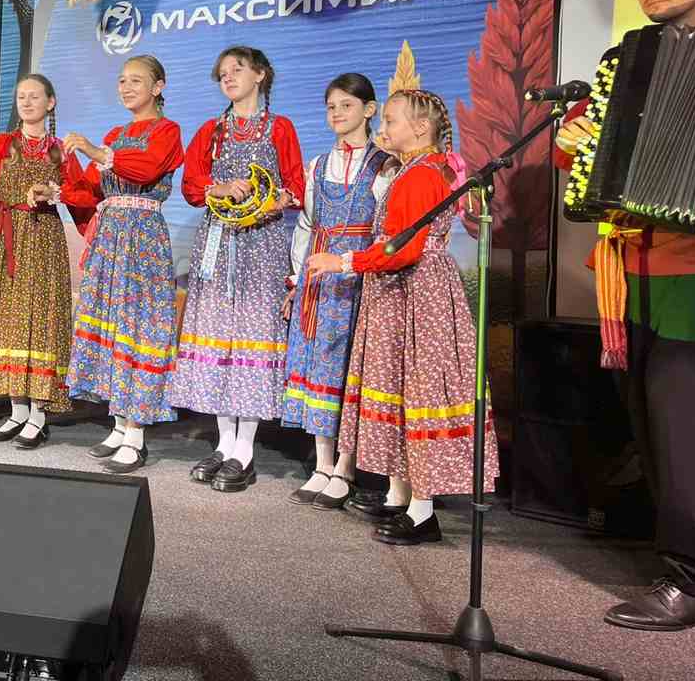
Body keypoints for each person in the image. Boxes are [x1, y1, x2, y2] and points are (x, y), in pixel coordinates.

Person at [555, 0, 695, 630]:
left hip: (692, 273)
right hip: (631, 268)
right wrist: (575, 144)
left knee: (682, 425)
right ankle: (680, 558)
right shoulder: (631, 60)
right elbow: (584, 157)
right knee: (653, 425)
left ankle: (690, 578)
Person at [307, 89, 497, 545]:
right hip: (403, 292)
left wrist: (343, 261)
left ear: (421, 128)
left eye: (391, 120)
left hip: (415, 292)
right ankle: (402, 497)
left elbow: (402, 250)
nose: (384, 128)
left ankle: (422, 511)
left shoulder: (421, 174)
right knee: (401, 388)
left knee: (419, 390)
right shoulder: (416, 170)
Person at [172, 46, 305, 493]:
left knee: (251, 336)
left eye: (237, 70)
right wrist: (221, 187)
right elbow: (191, 185)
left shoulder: (279, 128)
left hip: (261, 243)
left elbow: (296, 185)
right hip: (218, 240)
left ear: (260, 75)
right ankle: (223, 442)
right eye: (222, 73)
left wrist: (272, 202)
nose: (228, 78)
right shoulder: (212, 130)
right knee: (218, 334)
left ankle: (244, 450)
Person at [63, 55, 185, 473]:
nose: (126, 87)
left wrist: (96, 152)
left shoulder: (167, 131)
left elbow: (146, 170)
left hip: (142, 238)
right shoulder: (115, 134)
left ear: (158, 87)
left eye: (136, 80)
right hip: (110, 238)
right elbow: (92, 189)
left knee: (137, 327)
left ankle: (137, 435)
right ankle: (118, 423)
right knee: (112, 326)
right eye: (121, 80)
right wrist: (58, 189)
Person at [0, 74, 92, 449]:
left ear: (51, 103)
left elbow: (84, 195)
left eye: (34, 96)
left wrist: (56, 192)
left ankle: (39, 415)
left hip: (45, 241)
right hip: (8, 240)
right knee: (9, 321)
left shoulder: (60, 150)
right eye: (21, 97)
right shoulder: (1, 145)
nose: (27, 102)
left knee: (42, 321)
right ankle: (17, 411)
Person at [282, 73, 391, 508]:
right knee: (318, 367)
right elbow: (307, 225)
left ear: (369, 110)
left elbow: (386, 229)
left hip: (359, 278)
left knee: (349, 370)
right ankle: (322, 463)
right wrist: (297, 279)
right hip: (320, 277)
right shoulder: (317, 165)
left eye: (346, 105)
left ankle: (346, 467)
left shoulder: (383, 166)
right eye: (331, 107)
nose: (337, 113)